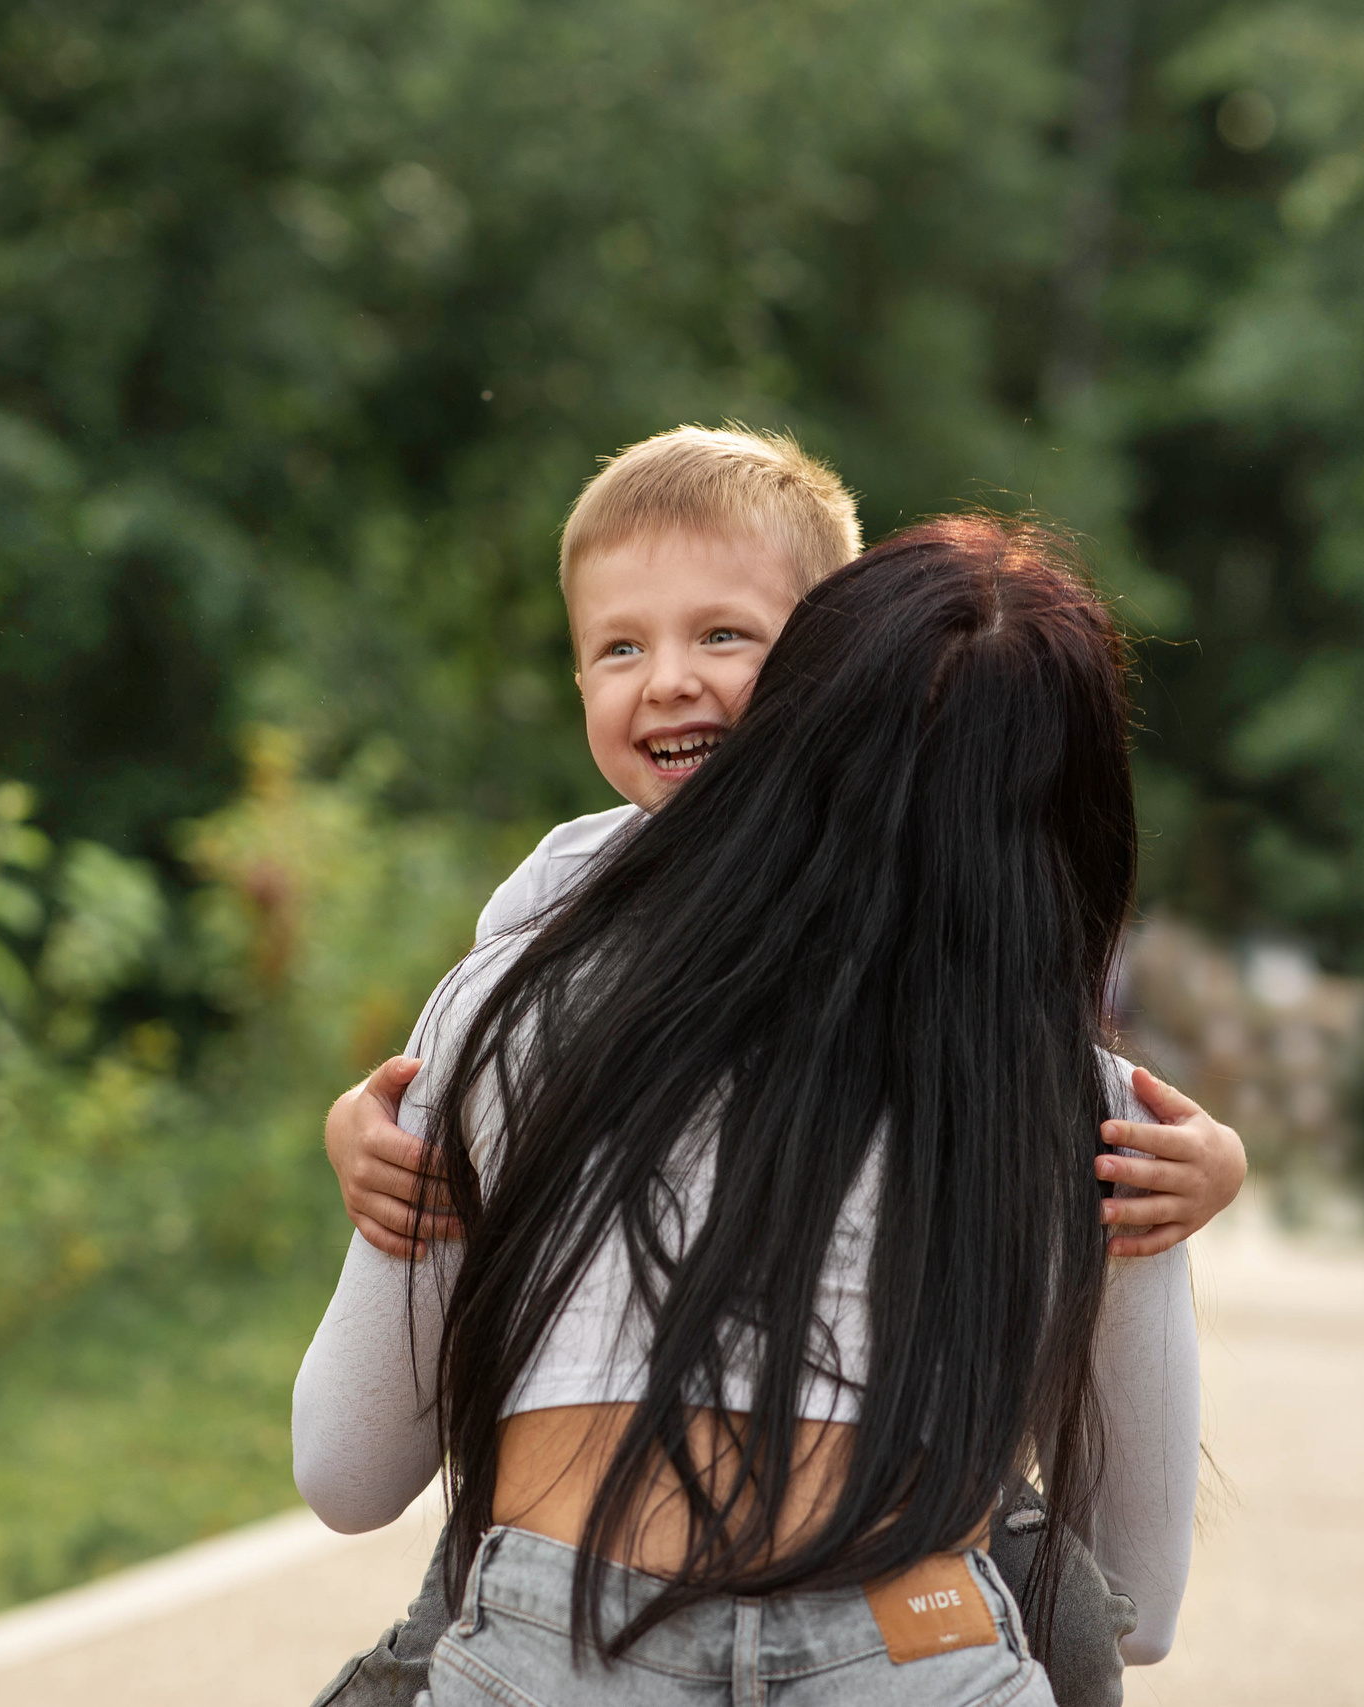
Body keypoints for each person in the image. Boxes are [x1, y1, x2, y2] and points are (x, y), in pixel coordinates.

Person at [309, 428, 1242, 1707]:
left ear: (828, 659)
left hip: (560, 1640)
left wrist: (431, 1119)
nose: (669, 682)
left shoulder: (507, 998)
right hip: (916, 1646)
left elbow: (345, 1470)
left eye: (724, 636)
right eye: (619, 649)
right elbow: (1139, 1603)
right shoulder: (1065, 1086)